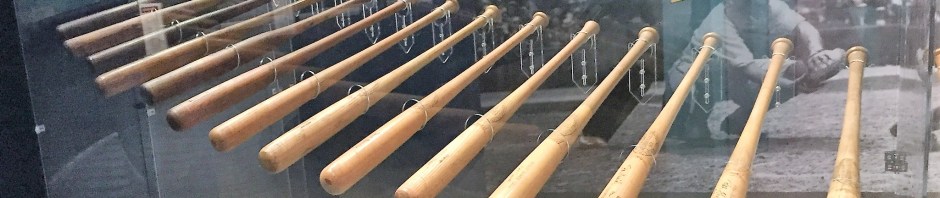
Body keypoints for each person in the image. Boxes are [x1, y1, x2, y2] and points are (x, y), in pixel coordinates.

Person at [664, 0, 845, 146]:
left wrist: (816, 52)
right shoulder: (718, 24)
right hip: (692, 78)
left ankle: (741, 119)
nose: (756, 7)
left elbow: (804, 28)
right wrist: (798, 85)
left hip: (732, 75)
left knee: (797, 70)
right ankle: (695, 120)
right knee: (693, 136)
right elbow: (754, 72)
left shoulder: (764, 4)